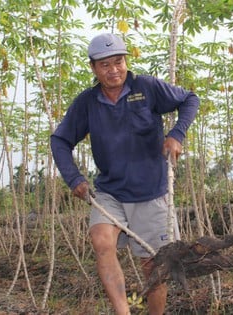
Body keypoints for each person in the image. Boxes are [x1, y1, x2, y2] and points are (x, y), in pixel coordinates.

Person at [50, 33, 200, 314]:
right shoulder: (87, 102)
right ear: (93, 68)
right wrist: (74, 178)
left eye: (118, 62)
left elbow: (190, 99)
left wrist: (176, 134)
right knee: (101, 241)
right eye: (105, 65)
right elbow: (59, 140)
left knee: (153, 267)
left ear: (126, 62)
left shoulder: (146, 87)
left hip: (152, 193)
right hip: (110, 192)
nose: (113, 70)